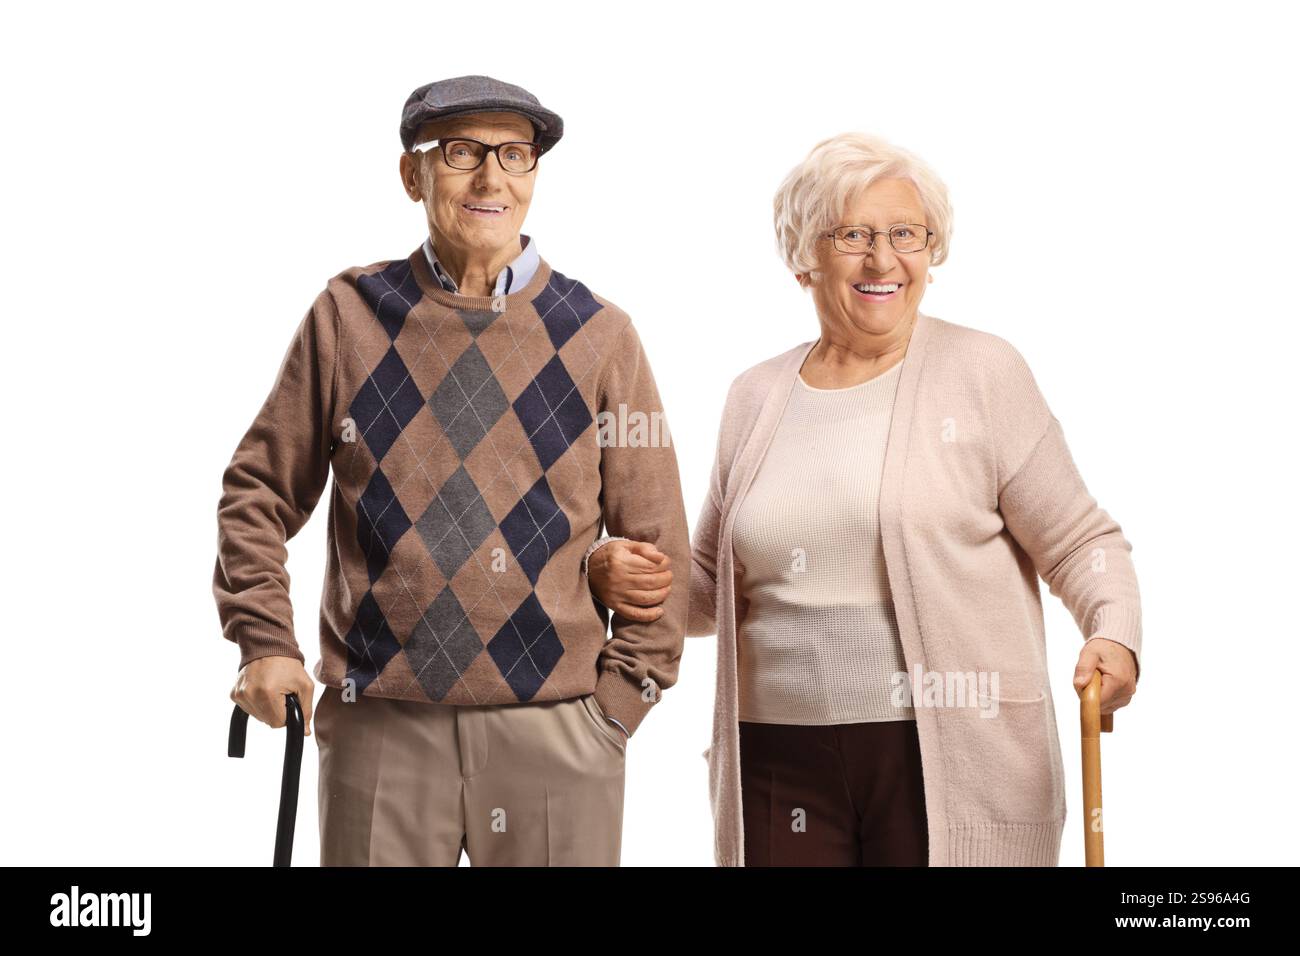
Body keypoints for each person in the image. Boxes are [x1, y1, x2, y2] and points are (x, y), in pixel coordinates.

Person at [587, 131, 1142, 866]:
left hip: (942, 756)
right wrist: (609, 572)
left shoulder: (983, 373)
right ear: (803, 257)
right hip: (778, 759)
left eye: (906, 234)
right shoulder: (756, 396)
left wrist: (1114, 630)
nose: (884, 260)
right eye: (853, 234)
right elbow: (713, 589)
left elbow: (1079, 541)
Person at [213, 74, 690, 866]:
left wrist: (612, 715)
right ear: (413, 174)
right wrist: (264, 641)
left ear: (535, 175)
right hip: (379, 729)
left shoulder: (601, 335)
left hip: (558, 732)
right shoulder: (348, 316)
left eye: (515, 154)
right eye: (462, 151)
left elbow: (659, 547)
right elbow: (258, 490)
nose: (492, 177)